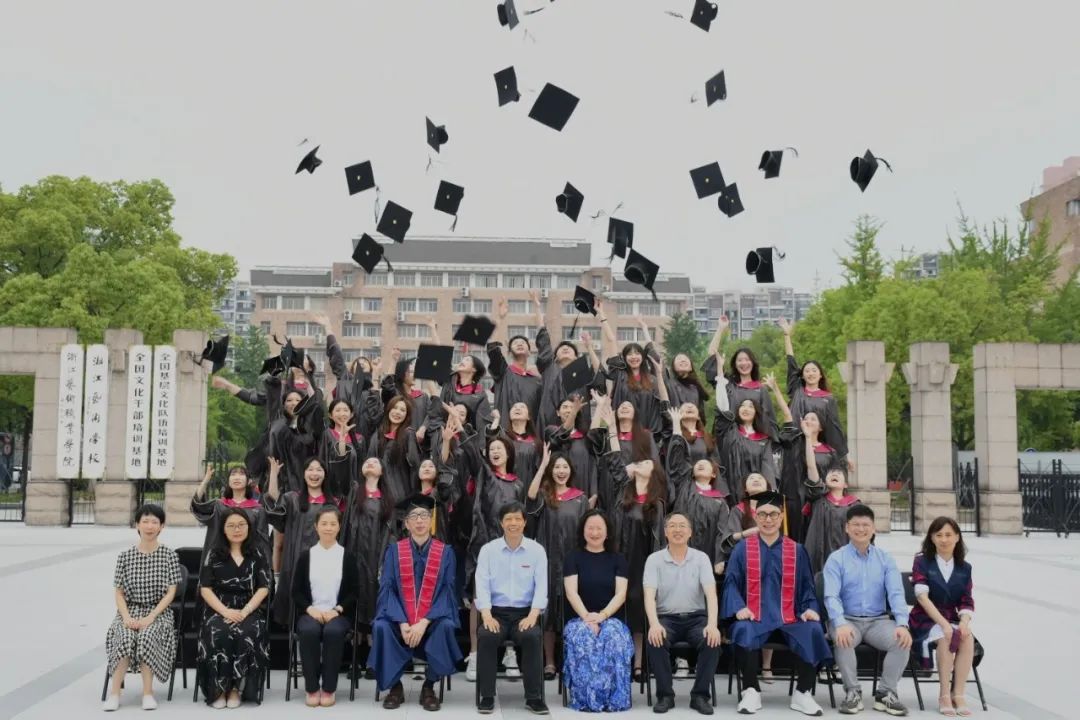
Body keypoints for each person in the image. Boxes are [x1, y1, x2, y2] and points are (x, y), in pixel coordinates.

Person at [722, 491, 830, 716]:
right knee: (742, 630)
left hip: (790, 618)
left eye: (773, 514)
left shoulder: (796, 550)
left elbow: (807, 586)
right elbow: (731, 583)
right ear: (755, 516)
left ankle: (803, 693)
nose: (768, 519)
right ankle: (751, 690)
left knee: (813, 630)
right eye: (762, 514)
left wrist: (810, 609)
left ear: (781, 517)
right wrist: (739, 607)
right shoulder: (742, 549)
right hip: (755, 617)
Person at [595, 398, 666, 682]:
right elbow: (615, 458)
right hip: (619, 559)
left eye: (646, 461)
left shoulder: (656, 503)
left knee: (638, 610)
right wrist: (611, 424)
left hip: (643, 563)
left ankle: (638, 663)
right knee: (615, 607)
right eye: (637, 461)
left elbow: (658, 540)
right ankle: (615, 662)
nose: (640, 463)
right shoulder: (620, 492)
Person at [371, 494, 462, 711]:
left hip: (430, 623)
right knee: (381, 626)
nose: (419, 520)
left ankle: (429, 686)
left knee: (446, 625)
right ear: (407, 523)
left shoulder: (445, 553)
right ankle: (395, 687)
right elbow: (387, 589)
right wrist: (402, 622)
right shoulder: (394, 551)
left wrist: (424, 622)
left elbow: (448, 592)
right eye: (414, 516)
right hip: (400, 621)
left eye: (424, 516)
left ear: (431, 521)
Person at [823, 504, 911, 716]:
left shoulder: (885, 559)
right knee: (843, 639)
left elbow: (896, 594)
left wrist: (902, 623)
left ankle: (886, 693)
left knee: (901, 640)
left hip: (877, 621)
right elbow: (831, 596)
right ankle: (852, 693)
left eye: (865, 525)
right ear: (847, 528)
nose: (860, 529)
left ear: (873, 529)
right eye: (856, 524)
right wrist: (839, 623)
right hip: (847, 619)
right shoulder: (836, 559)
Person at [103, 505, 182, 712]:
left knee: (148, 635)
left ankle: (148, 693)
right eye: (145, 521)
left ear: (162, 526)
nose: (149, 526)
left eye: (155, 522)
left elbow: (171, 593)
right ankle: (114, 693)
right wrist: (126, 616)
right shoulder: (125, 556)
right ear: (137, 525)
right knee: (124, 636)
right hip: (129, 610)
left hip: (159, 612)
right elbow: (119, 592)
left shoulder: (169, 555)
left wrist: (151, 616)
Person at [643, 512, 723, 716]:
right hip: (666, 619)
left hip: (697, 618)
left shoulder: (701, 558)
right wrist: (654, 624)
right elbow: (649, 597)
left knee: (712, 641)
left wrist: (712, 625)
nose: (677, 530)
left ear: (690, 532)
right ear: (665, 532)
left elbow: (711, 595)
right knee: (655, 640)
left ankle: (700, 696)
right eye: (672, 526)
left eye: (682, 526)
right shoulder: (654, 560)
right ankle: (665, 695)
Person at [474, 502, 550, 715]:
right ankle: (487, 696)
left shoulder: (536, 551)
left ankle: (534, 697)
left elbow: (541, 587)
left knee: (532, 636)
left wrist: (533, 615)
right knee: (486, 636)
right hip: (495, 613)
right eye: (508, 519)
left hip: (525, 614)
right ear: (501, 523)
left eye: (518, 519)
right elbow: (482, 585)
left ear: (525, 522)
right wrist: (486, 614)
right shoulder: (488, 550)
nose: (513, 523)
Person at [526, 445, 593, 679]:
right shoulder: (545, 496)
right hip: (547, 561)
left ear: (571, 471)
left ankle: (571, 660)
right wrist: (542, 465)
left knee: (572, 610)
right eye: (556, 467)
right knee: (548, 614)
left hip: (573, 562)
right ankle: (550, 663)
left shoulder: (580, 499)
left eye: (565, 467)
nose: (561, 471)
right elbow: (530, 497)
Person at [196, 508, 271, 708]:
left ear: (249, 527)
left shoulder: (258, 553)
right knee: (219, 631)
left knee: (248, 631)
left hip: (249, 608)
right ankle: (219, 690)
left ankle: (237, 689)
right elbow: (205, 589)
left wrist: (245, 611)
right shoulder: (214, 554)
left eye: (241, 525)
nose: (236, 530)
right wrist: (225, 611)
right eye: (231, 526)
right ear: (223, 529)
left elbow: (264, 587)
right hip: (219, 608)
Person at [562, 509, 633, 712]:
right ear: (583, 531)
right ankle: (587, 699)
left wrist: (602, 616)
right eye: (590, 528)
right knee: (583, 636)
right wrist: (587, 618)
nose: (594, 533)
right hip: (580, 619)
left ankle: (615, 699)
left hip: (610, 618)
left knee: (614, 637)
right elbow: (571, 593)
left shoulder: (618, 559)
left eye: (599, 528)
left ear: (607, 532)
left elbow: (621, 594)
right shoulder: (573, 558)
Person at [292, 507, 359, 708]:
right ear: (316, 526)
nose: (328, 528)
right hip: (310, 612)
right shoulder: (306, 556)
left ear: (339, 527)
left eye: (333, 524)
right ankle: (312, 688)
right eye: (324, 523)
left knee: (333, 632)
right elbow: (296, 591)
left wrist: (337, 610)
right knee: (308, 631)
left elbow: (354, 592)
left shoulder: (347, 556)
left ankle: (329, 688)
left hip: (338, 614)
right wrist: (310, 609)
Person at [909, 517, 977, 717]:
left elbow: (966, 600)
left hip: (951, 617)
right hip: (925, 618)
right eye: (939, 535)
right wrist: (945, 625)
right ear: (932, 538)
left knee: (966, 638)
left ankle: (959, 694)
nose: (944, 539)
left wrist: (963, 622)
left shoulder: (965, 568)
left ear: (957, 537)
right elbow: (922, 597)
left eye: (948, 535)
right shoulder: (922, 561)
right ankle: (944, 694)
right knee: (946, 636)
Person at [264, 456, 342, 626]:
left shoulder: (332, 503)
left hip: (325, 562)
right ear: (304, 474)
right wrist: (274, 475)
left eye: (319, 470)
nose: (314, 473)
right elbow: (275, 501)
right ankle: (297, 637)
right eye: (310, 469)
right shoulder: (292, 499)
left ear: (325, 474)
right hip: (295, 557)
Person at [191, 463, 272, 574]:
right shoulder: (219, 506)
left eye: (241, 474)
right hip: (220, 562)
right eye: (233, 474)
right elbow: (198, 505)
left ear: (249, 481)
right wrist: (206, 480)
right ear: (228, 481)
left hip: (248, 564)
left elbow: (263, 544)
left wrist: (266, 572)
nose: (237, 477)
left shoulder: (258, 510)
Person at [343, 456, 395, 629]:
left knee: (373, 591)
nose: (370, 463)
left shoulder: (387, 499)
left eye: (376, 462)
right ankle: (356, 633)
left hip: (375, 554)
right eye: (367, 462)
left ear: (382, 472)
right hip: (354, 551)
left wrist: (384, 559)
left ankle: (372, 633)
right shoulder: (354, 492)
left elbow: (391, 533)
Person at [488, 293, 549, 427]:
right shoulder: (503, 373)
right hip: (506, 433)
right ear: (509, 352)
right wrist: (499, 318)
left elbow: (544, 341)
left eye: (523, 343)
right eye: (515, 343)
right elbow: (493, 350)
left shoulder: (537, 381)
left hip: (530, 435)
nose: (520, 343)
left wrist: (537, 308)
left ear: (530, 352)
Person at [804, 460, 858, 574]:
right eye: (831, 472)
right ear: (824, 481)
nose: (834, 474)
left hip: (847, 561)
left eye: (839, 473)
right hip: (821, 560)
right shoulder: (818, 501)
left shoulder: (854, 505)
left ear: (846, 484)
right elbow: (812, 469)